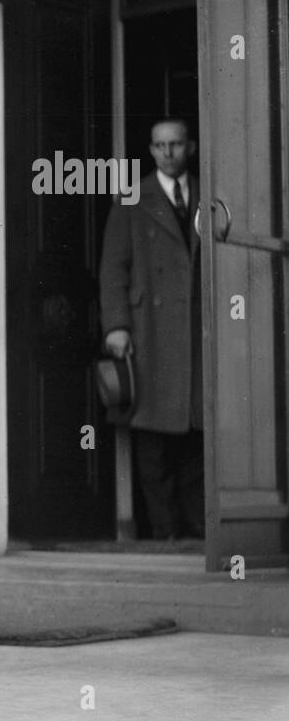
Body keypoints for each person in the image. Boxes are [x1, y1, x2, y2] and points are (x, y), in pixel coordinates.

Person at [100, 117, 203, 539]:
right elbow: (113, 269)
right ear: (150, 149)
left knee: (197, 435)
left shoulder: (210, 194)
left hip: (197, 333)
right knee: (154, 439)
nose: (168, 153)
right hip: (150, 331)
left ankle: (201, 532)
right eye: (160, 145)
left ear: (190, 147)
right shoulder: (131, 199)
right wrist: (117, 327)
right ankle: (165, 534)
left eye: (176, 144)